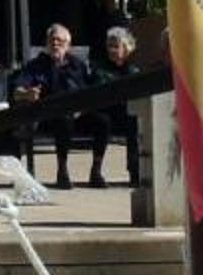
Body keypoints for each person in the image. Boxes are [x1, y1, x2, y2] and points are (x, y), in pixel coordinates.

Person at [8, 21, 92, 187]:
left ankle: (96, 172)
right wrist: (27, 94)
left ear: (68, 45)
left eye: (60, 41)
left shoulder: (77, 65)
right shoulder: (36, 65)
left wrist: (82, 108)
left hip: (77, 114)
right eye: (52, 40)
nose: (55, 43)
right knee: (63, 119)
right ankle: (62, 171)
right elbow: (16, 92)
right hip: (45, 116)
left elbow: (89, 91)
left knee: (103, 121)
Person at [84, 25, 143, 188]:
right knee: (103, 122)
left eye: (116, 46)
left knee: (134, 121)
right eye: (109, 46)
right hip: (103, 113)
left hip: (124, 113)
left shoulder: (133, 70)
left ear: (126, 48)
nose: (111, 50)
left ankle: (135, 171)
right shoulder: (99, 69)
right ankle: (95, 171)